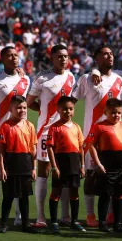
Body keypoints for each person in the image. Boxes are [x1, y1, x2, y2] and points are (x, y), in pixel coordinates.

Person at [71, 46, 122, 228]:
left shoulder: (119, 80)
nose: (109, 56)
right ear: (96, 58)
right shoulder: (87, 78)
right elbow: (72, 101)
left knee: (112, 175)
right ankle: (90, 214)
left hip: (114, 137)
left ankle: (109, 212)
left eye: (111, 53)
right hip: (92, 136)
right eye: (104, 54)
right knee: (92, 175)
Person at [26, 44, 75, 228]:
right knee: (44, 172)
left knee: (64, 172)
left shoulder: (71, 76)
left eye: (65, 56)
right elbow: (28, 102)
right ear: (52, 58)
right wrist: (43, 111)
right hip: (46, 131)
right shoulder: (43, 78)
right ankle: (40, 217)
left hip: (66, 131)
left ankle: (65, 216)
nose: (63, 59)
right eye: (59, 56)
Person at [0, 46, 30, 228]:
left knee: (18, 177)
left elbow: (28, 102)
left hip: (20, 135)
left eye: (16, 55)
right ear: (2, 59)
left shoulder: (25, 79)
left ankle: (18, 218)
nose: (14, 57)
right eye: (9, 55)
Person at [85, 98, 122, 233]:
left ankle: (118, 223)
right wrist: (98, 163)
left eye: (119, 112)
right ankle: (102, 222)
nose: (116, 115)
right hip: (106, 166)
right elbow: (92, 146)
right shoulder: (99, 126)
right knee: (105, 195)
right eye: (113, 112)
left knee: (120, 195)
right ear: (105, 112)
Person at [0, 95, 38, 234]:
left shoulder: (30, 126)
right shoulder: (5, 126)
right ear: (11, 109)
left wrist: (34, 168)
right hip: (11, 164)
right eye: (18, 107)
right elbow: (1, 151)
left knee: (24, 197)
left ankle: (25, 224)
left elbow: (33, 150)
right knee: (8, 196)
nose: (22, 110)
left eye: (24, 107)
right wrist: (2, 169)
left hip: (26, 164)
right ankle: (3, 224)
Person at [46, 96, 86, 233]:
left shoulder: (76, 127)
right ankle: (53, 222)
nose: (67, 112)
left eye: (70, 109)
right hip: (60, 163)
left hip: (74, 162)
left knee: (74, 191)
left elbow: (81, 147)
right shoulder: (54, 128)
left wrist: (82, 166)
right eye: (64, 109)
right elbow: (50, 147)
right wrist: (54, 166)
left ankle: (74, 221)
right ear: (58, 110)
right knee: (56, 191)